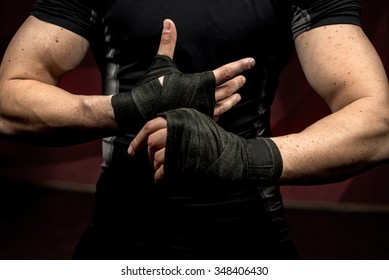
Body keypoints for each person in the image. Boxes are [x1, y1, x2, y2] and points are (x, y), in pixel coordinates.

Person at [0, 0, 388, 260]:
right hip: (117, 238)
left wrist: (243, 157)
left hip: (248, 239)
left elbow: (378, 122)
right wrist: (130, 108)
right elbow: (8, 102)